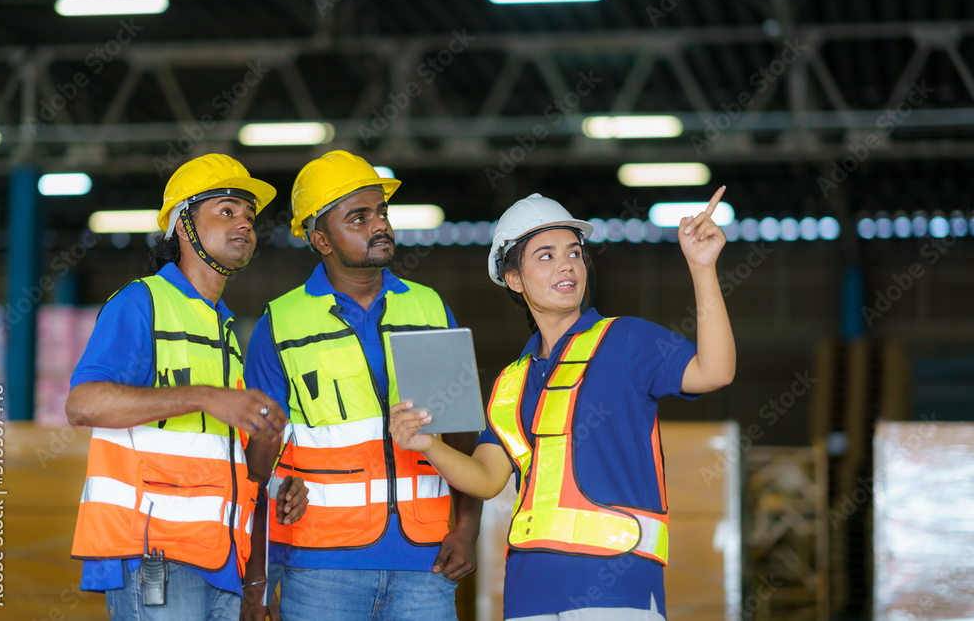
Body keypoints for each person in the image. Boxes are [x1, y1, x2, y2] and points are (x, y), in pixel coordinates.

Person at [390, 190, 736, 620]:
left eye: (574, 252)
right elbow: (485, 478)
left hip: (620, 587)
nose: (567, 264)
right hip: (528, 592)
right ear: (513, 278)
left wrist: (702, 269)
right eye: (546, 256)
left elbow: (715, 371)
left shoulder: (626, 340)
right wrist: (427, 444)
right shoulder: (510, 382)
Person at [243, 150, 483, 621]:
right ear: (321, 240)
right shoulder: (281, 324)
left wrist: (467, 528)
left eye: (382, 212)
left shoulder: (429, 309)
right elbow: (257, 463)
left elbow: (460, 435)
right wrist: (257, 577)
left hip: (425, 565)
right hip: (318, 571)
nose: (380, 225)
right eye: (358, 216)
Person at [66, 154, 308, 621]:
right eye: (226, 210)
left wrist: (269, 456)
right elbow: (82, 404)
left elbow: (238, 470)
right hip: (155, 555)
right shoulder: (142, 302)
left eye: (250, 217)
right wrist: (205, 396)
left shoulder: (223, 329)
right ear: (183, 225)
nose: (244, 224)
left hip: (220, 563)